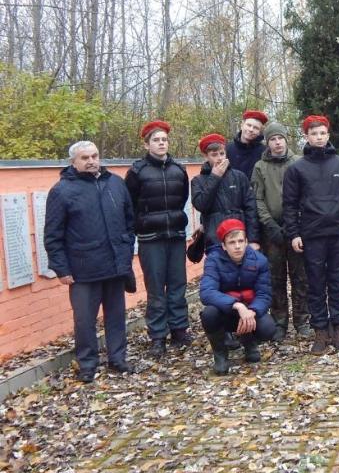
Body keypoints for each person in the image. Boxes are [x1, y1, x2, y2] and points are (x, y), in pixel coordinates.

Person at [44, 141, 136, 383]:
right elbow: (53, 235)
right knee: (84, 321)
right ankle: (87, 364)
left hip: (115, 265)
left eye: (94, 156)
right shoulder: (62, 191)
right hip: (83, 269)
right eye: (85, 158)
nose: (91, 161)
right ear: (73, 162)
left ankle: (118, 358)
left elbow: (129, 221)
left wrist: (126, 250)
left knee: (116, 316)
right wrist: (61, 268)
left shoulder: (115, 183)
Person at [283, 115, 339, 355]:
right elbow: (289, 205)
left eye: (322, 133)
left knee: (337, 282)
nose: (318, 137)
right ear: (306, 136)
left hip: (338, 233)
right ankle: (320, 332)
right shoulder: (296, 168)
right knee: (315, 284)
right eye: (314, 133)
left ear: (328, 135)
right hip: (311, 235)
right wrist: (294, 233)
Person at [125, 120, 191, 358]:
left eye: (164, 140)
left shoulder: (179, 170)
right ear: (147, 144)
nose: (161, 143)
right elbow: (129, 205)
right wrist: (140, 225)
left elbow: (182, 198)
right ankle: (158, 336)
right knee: (155, 289)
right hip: (150, 238)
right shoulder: (137, 172)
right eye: (156, 140)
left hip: (175, 235)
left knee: (177, 285)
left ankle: (179, 330)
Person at [251, 122, 312, 341]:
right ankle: (279, 322)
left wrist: (295, 223)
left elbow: (308, 194)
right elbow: (257, 199)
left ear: (286, 140)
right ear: (267, 143)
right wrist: (270, 224)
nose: (277, 143)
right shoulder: (260, 167)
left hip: (297, 229)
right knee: (275, 278)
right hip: (272, 231)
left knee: (300, 276)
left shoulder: (300, 162)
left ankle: (302, 320)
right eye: (273, 139)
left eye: (280, 138)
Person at [199, 219, 275, 374]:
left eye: (241, 241)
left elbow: (264, 294)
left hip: (250, 310)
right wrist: (237, 305)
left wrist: (252, 311)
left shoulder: (259, 260)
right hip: (226, 311)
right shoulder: (213, 260)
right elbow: (206, 292)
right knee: (209, 314)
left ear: (246, 242)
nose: (238, 246)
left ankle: (249, 342)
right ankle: (220, 354)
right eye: (232, 242)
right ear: (223, 245)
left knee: (268, 328)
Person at [191, 133, 259, 251]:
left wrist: (253, 239)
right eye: (214, 155)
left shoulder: (239, 177)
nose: (219, 158)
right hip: (215, 240)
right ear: (206, 156)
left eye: (222, 153)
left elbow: (251, 208)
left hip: (240, 239)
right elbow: (201, 205)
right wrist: (215, 177)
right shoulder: (198, 181)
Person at [227, 110, 268, 180]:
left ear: (259, 132)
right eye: (249, 125)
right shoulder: (227, 149)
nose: (251, 129)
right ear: (242, 125)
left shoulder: (264, 152)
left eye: (256, 128)